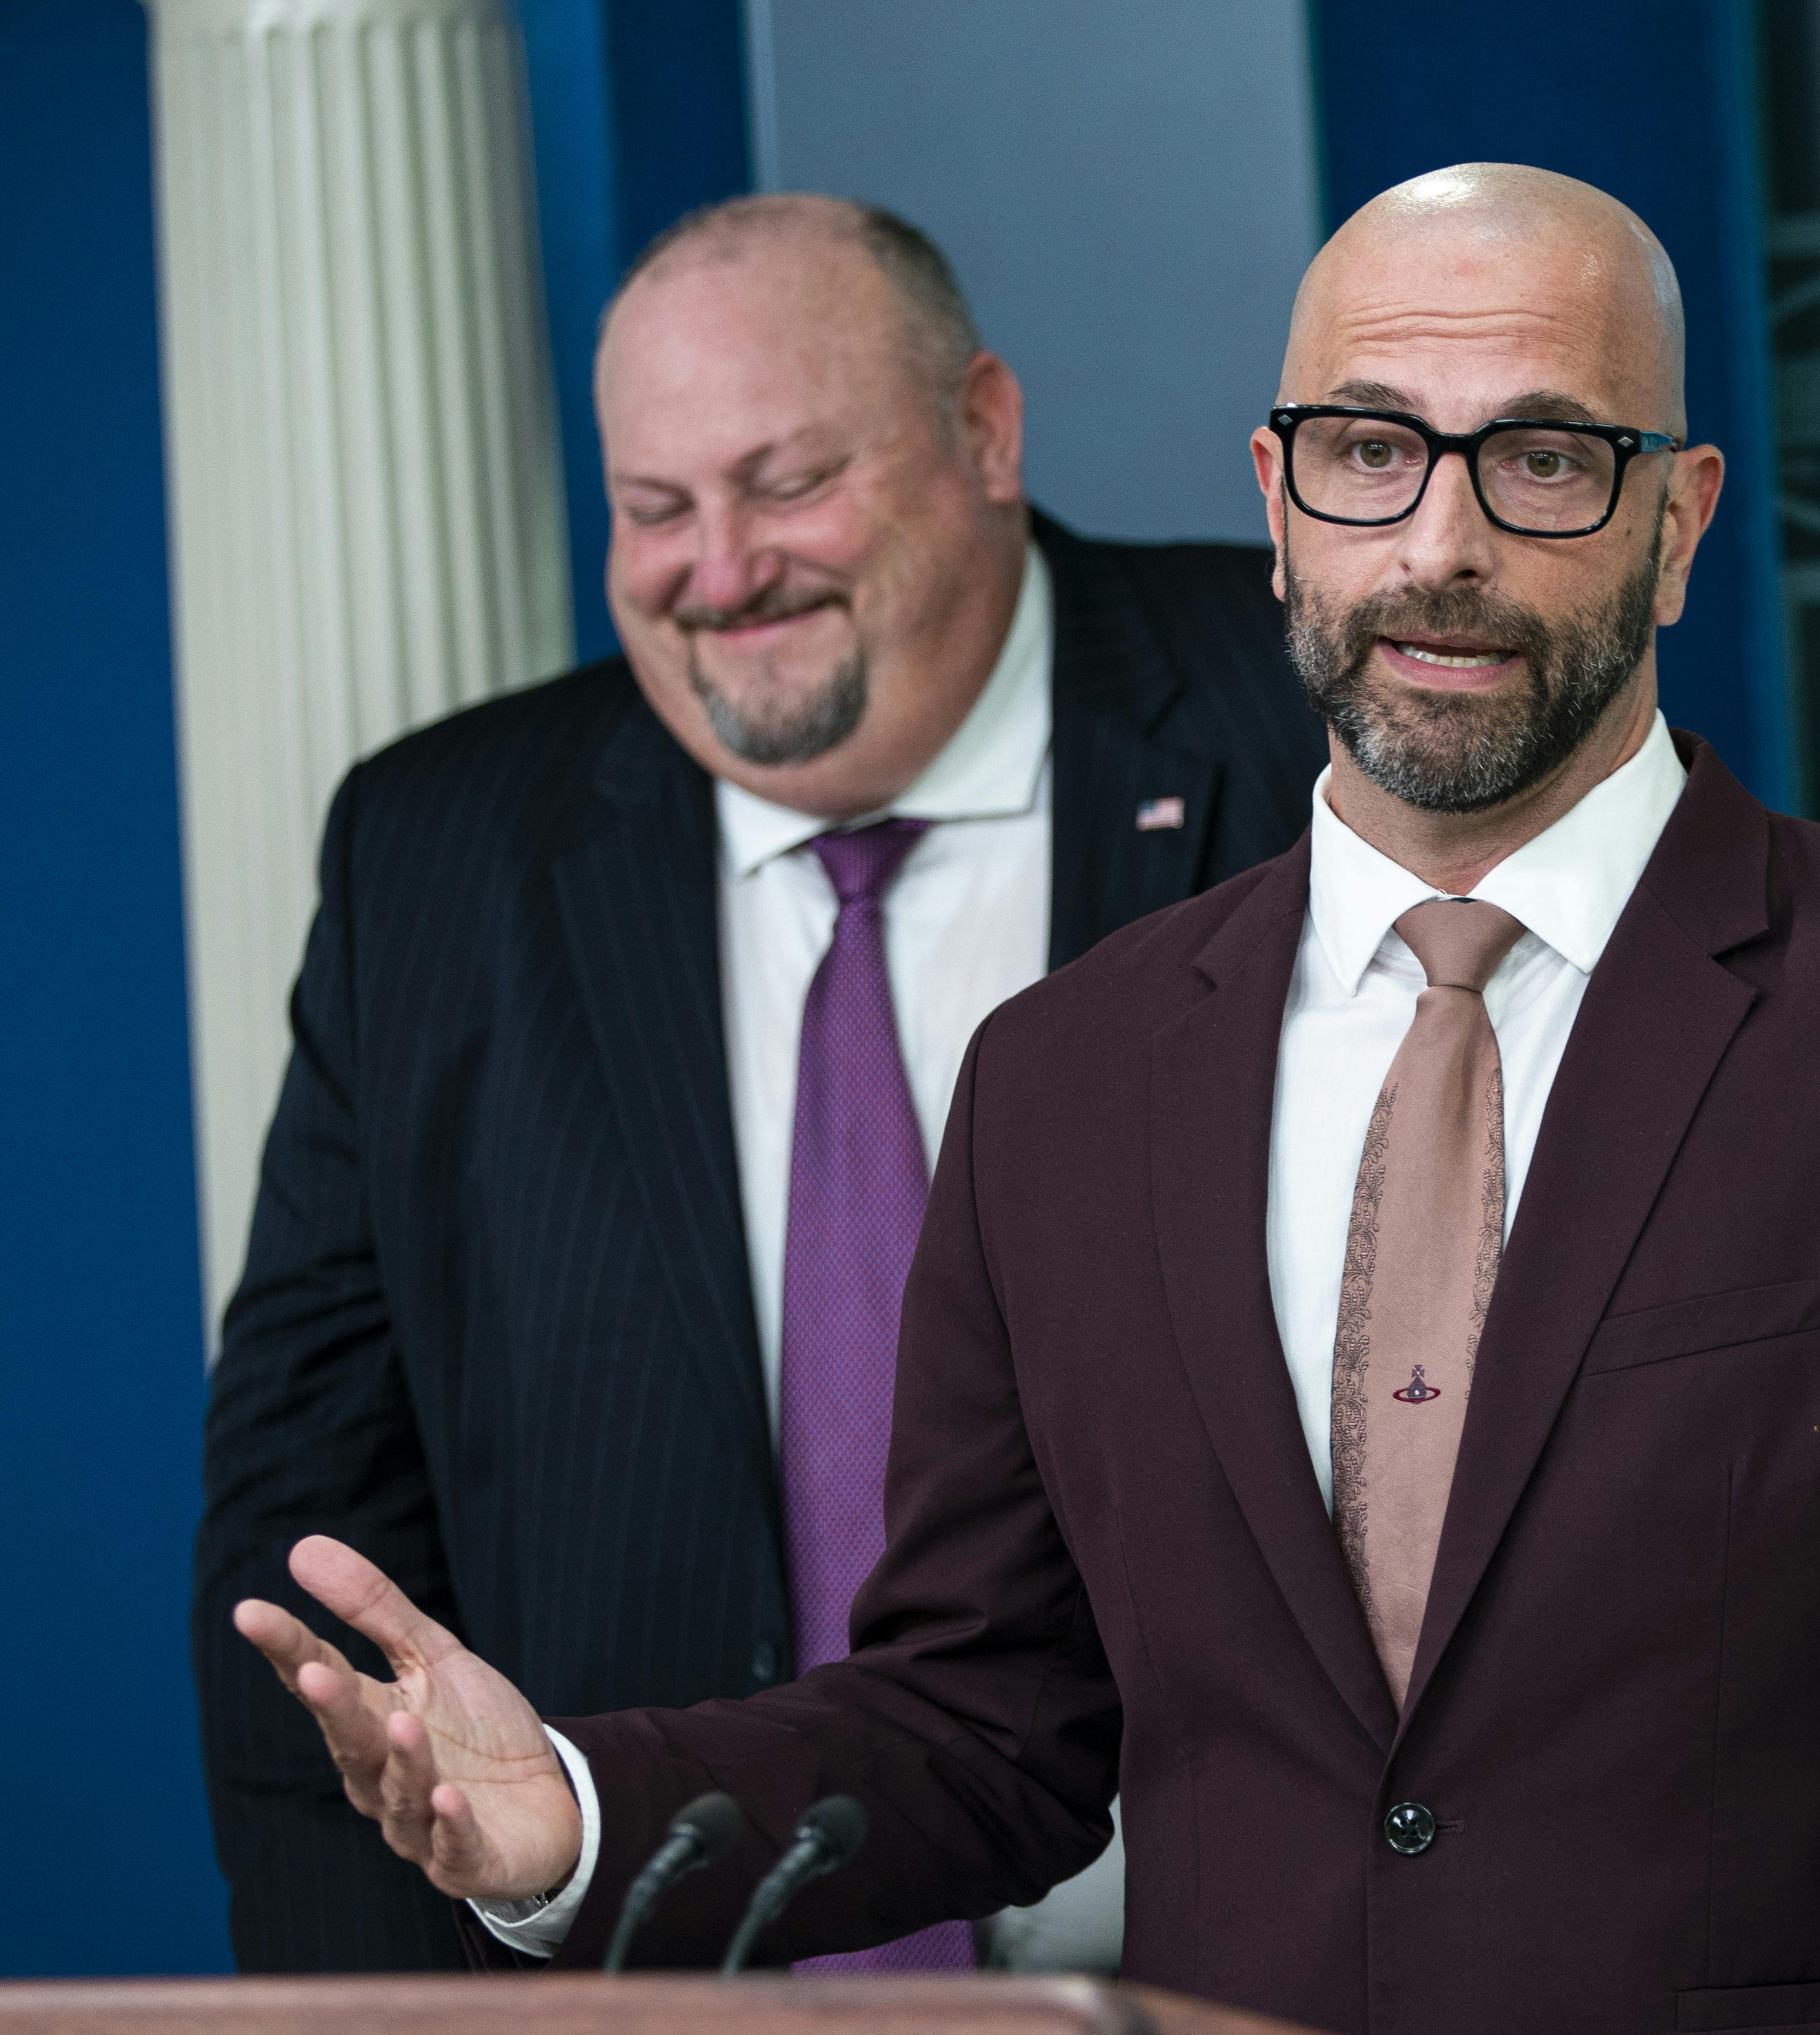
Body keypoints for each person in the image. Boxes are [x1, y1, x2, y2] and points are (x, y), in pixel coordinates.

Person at [240, 164, 1820, 2031]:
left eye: (1543, 460)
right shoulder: (1060, 1079)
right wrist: (580, 1815)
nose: (1442, 545)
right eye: (1371, 453)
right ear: (1281, 499)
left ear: (1674, 526)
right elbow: (988, 1723)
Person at [195, 194, 1322, 1973]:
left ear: (985, 433)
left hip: (1270, 1971)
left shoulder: (1318, 721)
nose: (719, 575)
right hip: (661, 1976)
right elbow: (315, 1539)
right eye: (656, 510)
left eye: (787, 485)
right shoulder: (439, 860)